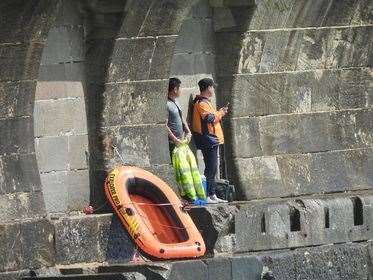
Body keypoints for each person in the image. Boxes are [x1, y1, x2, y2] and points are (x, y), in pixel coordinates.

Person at [192, 78, 228, 204]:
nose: (213, 89)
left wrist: (219, 113)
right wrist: (221, 113)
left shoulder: (207, 102)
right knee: (210, 168)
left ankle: (212, 195)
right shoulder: (201, 103)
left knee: (213, 168)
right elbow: (210, 118)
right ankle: (208, 194)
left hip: (212, 139)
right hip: (208, 140)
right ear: (208, 88)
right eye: (212, 87)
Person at [166, 77, 191, 159]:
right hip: (172, 143)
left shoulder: (176, 101)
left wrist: (188, 131)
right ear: (175, 89)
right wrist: (175, 140)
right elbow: (164, 125)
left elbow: (181, 117)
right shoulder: (166, 104)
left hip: (181, 140)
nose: (181, 90)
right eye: (180, 88)